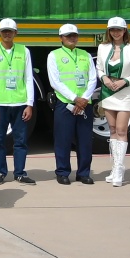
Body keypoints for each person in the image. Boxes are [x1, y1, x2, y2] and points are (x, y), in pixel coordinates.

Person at [0, 18, 33, 186]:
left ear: (16, 33)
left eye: (10, 31)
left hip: (19, 102)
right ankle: (0, 171)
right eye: (4, 31)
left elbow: (28, 78)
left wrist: (29, 104)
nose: (7, 34)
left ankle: (20, 173)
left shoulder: (24, 51)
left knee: (20, 141)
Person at [46, 23, 97, 188]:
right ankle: (62, 172)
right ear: (61, 38)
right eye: (68, 36)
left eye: (74, 35)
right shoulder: (54, 55)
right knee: (63, 140)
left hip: (85, 104)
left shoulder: (85, 55)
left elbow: (92, 79)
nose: (72, 38)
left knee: (85, 140)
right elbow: (55, 81)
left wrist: (84, 99)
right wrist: (75, 98)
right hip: (65, 103)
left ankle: (83, 173)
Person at [93, 17, 130, 186]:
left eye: (119, 29)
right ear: (109, 31)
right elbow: (99, 67)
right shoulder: (103, 47)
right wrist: (104, 78)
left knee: (121, 130)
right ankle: (114, 167)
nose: (116, 32)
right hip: (108, 91)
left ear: (125, 31)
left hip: (124, 92)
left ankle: (120, 168)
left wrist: (124, 81)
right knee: (112, 129)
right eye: (112, 29)